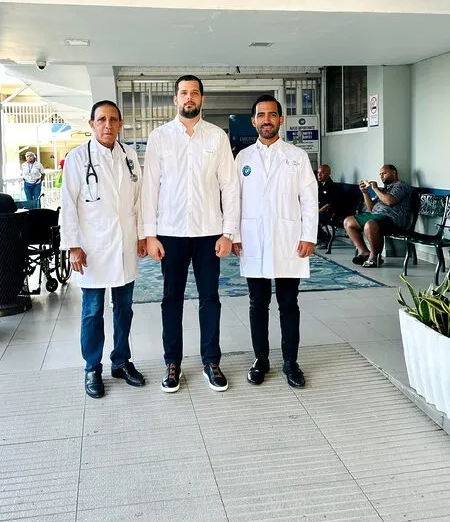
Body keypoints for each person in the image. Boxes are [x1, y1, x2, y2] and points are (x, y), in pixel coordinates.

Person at [142, 75, 239, 393]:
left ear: (202, 99)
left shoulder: (217, 137)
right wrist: (150, 235)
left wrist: (228, 233)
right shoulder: (160, 137)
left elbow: (230, 187)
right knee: (171, 300)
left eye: (194, 93)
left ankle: (211, 361)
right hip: (170, 233)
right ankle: (173, 363)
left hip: (209, 232)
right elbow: (149, 188)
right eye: (183, 93)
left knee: (210, 299)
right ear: (175, 99)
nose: (189, 98)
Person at [60, 100, 146, 398]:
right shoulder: (77, 158)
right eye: (101, 120)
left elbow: (139, 200)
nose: (108, 125)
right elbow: (68, 204)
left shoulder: (129, 156)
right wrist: (73, 246)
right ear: (92, 124)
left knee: (124, 309)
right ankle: (92, 367)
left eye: (113, 120)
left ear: (120, 124)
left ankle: (121, 361)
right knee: (92, 312)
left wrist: (142, 235)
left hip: (125, 244)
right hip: (92, 248)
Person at [233, 95, 318, 389]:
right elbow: (234, 201)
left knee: (288, 303)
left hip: (288, 240)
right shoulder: (242, 158)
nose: (266, 120)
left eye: (272, 114)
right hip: (253, 239)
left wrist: (308, 236)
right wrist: (234, 235)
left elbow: (309, 200)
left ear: (281, 120)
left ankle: (290, 362)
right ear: (253, 121)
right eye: (261, 115)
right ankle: (261, 360)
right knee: (257, 303)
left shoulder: (297, 156)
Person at [344, 164, 412, 268]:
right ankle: (364, 252)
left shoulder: (401, 185)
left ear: (394, 172)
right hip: (376, 216)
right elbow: (371, 209)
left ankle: (374, 257)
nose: (381, 176)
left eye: (384, 173)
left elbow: (389, 201)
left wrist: (375, 189)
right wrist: (365, 193)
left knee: (370, 225)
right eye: (380, 174)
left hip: (393, 220)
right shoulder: (384, 189)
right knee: (348, 222)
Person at [317, 164, 341, 246]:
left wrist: (317, 212)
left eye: (322, 173)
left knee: (313, 218)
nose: (319, 175)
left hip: (332, 213)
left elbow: (328, 204)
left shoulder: (332, 187)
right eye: (318, 172)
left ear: (329, 174)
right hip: (322, 211)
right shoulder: (320, 186)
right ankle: (320, 237)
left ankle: (325, 238)